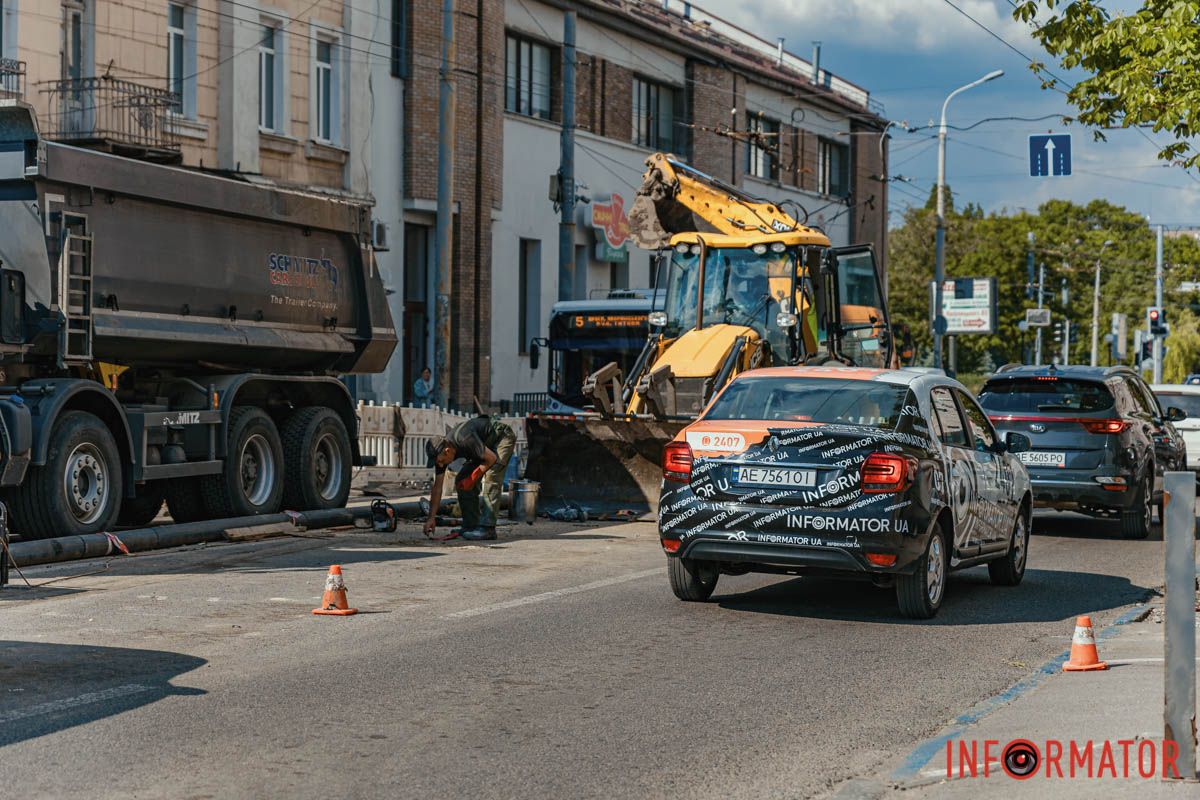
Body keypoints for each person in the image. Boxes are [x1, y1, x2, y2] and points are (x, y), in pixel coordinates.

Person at [424, 415, 517, 540]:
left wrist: (472, 479)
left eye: (441, 461)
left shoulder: (464, 439)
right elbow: (437, 488)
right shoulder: (441, 456)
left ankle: (488, 529)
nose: (441, 465)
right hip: (481, 448)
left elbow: (491, 459)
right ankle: (470, 526)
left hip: (501, 437)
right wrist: (431, 518)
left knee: (492, 477)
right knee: (462, 481)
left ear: (447, 450)